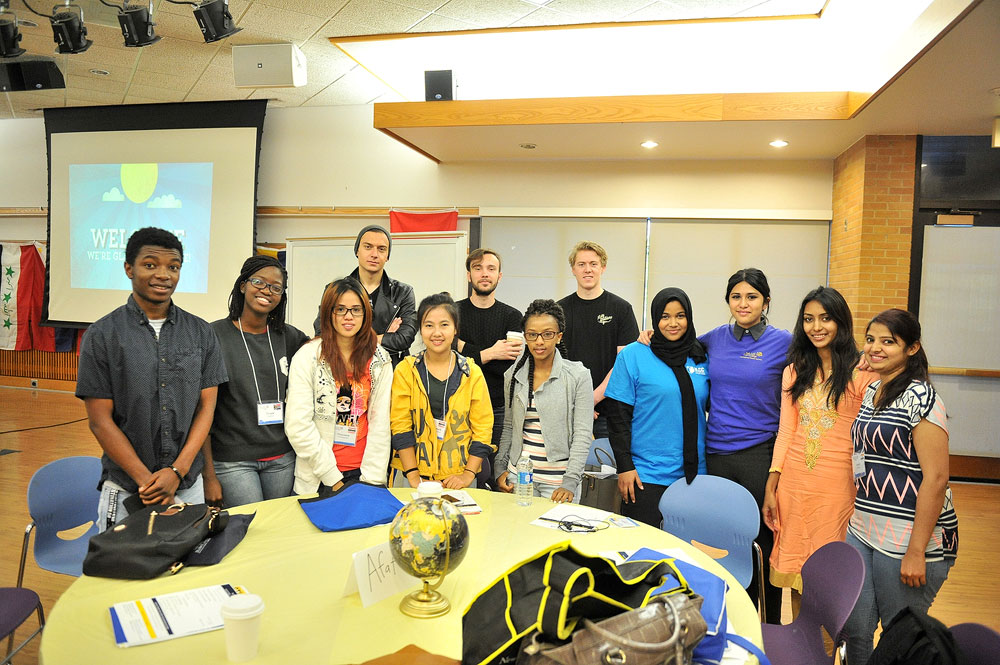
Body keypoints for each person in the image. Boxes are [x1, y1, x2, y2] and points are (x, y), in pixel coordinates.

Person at [76, 227, 227, 531]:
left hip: (187, 485)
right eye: (150, 264)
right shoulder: (102, 335)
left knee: (186, 571)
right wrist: (148, 482)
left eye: (173, 267)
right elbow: (100, 421)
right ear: (129, 268)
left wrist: (176, 471)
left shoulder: (201, 332)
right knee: (121, 573)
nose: (163, 274)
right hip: (128, 488)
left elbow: (206, 410)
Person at [843, 309, 956, 665]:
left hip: (908, 536)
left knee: (899, 638)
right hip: (863, 528)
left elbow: (937, 479)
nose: (875, 348)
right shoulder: (873, 389)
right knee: (855, 628)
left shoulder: (923, 398)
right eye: (871, 339)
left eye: (888, 342)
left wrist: (916, 550)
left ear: (912, 348)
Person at [762, 286, 876, 618]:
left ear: (841, 322)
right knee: (797, 577)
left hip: (840, 489)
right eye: (809, 319)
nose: (817, 327)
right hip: (795, 486)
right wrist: (773, 483)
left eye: (825, 318)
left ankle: (828, 653)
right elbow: (786, 431)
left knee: (830, 577)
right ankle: (805, 648)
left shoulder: (863, 373)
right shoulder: (795, 371)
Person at [202, 255, 309, 508]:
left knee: (279, 535)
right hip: (232, 462)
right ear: (243, 285)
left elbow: (324, 349)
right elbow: (201, 412)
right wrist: (208, 475)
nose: (266, 291)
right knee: (249, 533)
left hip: (282, 459)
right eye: (259, 282)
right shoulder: (213, 335)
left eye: (276, 287)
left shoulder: (289, 337)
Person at [605, 287, 709, 526]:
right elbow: (617, 418)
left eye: (680, 316)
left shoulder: (701, 356)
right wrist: (625, 467)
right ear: (655, 319)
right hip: (645, 476)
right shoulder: (633, 355)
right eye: (665, 316)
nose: (673, 323)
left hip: (695, 475)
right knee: (644, 554)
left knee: (687, 554)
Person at [286, 278, 393, 492]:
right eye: (340, 309)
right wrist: (332, 478)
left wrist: (371, 480)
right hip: (319, 477)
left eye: (356, 310)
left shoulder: (380, 359)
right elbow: (298, 426)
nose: (348, 317)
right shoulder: (308, 357)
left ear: (366, 314)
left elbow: (380, 424)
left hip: (365, 474)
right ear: (328, 312)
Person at [390, 293, 494, 489]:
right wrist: (413, 476)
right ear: (420, 329)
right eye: (429, 325)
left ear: (455, 329)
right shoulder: (406, 370)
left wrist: (467, 475)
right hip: (411, 475)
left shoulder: (471, 373)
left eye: (444, 325)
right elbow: (400, 425)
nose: (436, 332)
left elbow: (483, 429)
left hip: (458, 479)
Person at [494, 299, 592, 502]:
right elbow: (509, 426)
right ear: (525, 337)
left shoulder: (578, 376)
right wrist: (500, 468)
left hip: (559, 482)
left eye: (547, 334)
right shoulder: (513, 375)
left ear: (559, 337)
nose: (539, 341)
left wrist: (570, 481)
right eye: (532, 335)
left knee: (557, 534)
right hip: (519, 476)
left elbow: (582, 435)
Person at [557, 241, 639, 439]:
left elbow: (625, 363)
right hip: (567, 409)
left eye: (593, 264)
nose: (588, 270)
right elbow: (554, 363)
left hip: (609, 412)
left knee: (607, 469)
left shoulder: (622, 309)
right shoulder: (558, 311)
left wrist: (591, 399)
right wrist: (578, 403)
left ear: (603, 267)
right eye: (581, 264)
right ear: (573, 269)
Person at [456, 248, 523, 488]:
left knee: (496, 478)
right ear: (468, 275)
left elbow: (507, 366)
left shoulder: (513, 316)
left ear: (499, 276)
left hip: (498, 408)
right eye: (478, 268)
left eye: (490, 269)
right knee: (458, 475)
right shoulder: (452, 313)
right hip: (456, 407)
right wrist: (490, 353)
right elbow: (449, 359)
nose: (484, 274)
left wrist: (466, 349)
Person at [313, 225, 415, 366]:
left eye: (381, 249)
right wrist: (383, 337)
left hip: (390, 371)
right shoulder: (335, 290)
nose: (374, 254)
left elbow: (405, 338)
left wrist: (349, 339)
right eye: (368, 247)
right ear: (357, 251)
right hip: (346, 370)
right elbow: (322, 333)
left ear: (387, 256)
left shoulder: (403, 292)